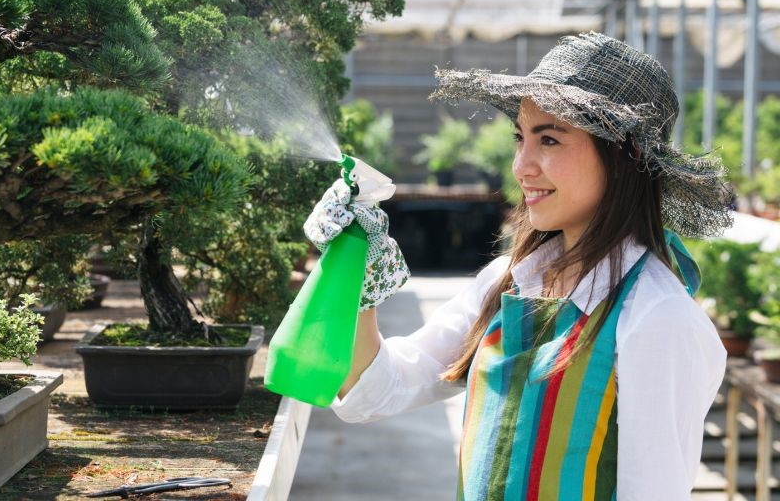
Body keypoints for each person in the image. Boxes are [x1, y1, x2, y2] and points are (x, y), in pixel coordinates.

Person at [304, 32, 733, 500]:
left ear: (624, 157)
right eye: (520, 138)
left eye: (549, 139)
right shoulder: (508, 281)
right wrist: (359, 276)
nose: (521, 165)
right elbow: (379, 389)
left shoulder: (657, 318)